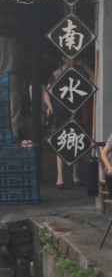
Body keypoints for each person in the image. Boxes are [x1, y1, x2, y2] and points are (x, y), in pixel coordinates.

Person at [44, 56, 95, 188]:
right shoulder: (57, 73)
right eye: (69, 58)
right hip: (60, 112)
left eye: (75, 58)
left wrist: (84, 66)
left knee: (76, 141)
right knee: (60, 142)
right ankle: (60, 177)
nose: (72, 60)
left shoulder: (80, 72)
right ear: (63, 58)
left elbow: (95, 80)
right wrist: (49, 105)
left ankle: (75, 175)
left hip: (77, 112)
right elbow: (47, 92)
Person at [0, 25, 30, 140]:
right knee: (14, 107)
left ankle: (0, 132)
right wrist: (26, 82)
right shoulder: (17, 46)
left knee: (0, 105)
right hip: (14, 77)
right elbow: (25, 66)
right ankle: (14, 133)